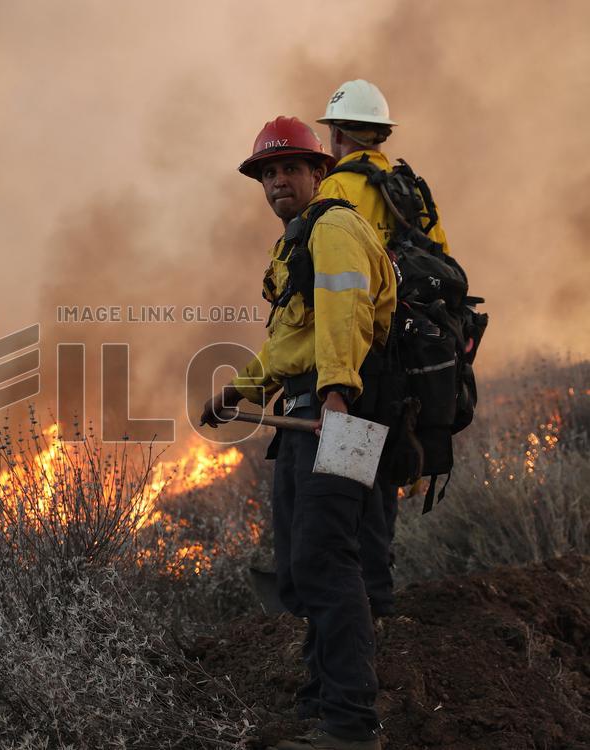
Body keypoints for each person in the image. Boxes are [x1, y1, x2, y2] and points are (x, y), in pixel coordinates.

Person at [200, 115, 396, 750]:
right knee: (300, 567)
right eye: (268, 172)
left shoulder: (335, 226)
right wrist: (242, 390)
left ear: (319, 172)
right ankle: (321, 704)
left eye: (290, 168)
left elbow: (345, 312)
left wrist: (337, 394)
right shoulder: (296, 242)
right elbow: (292, 340)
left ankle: (349, 727)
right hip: (310, 413)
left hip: (339, 414)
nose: (278, 181)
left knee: (327, 561)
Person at [316, 79, 453, 619]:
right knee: (385, 474)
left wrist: (331, 374)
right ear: (380, 134)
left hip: (362, 357)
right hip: (413, 360)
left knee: (348, 481)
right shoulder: (412, 190)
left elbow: (327, 285)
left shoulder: (335, 192)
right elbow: (446, 266)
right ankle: (382, 591)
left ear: (337, 136)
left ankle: (359, 604)